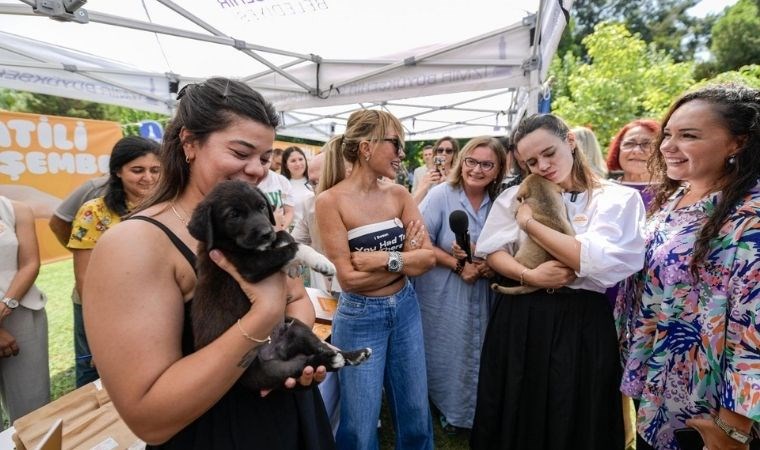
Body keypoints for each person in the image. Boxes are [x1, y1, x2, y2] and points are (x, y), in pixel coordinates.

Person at [82, 78, 334, 449]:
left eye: (264, 158)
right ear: (189, 143)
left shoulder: (246, 221)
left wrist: (286, 359)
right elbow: (149, 417)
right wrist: (264, 316)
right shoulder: (133, 245)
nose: (256, 170)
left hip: (287, 413)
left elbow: (296, 298)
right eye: (240, 152)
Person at [471, 113, 646, 450]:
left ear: (570, 141)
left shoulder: (615, 199)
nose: (543, 166)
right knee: (518, 403)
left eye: (549, 153)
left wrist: (531, 226)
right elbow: (492, 251)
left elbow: (590, 260)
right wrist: (529, 274)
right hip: (521, 314)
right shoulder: (518, 195)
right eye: (531, 161)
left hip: (580, 320)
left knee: (575, 405)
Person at [620, 84, 760, 450]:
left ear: (738, 143)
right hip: (657, 386)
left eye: (689, 135)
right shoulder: (678, 195)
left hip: (709, 411)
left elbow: (754, 331)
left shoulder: (750, 219)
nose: (667, 145)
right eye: (668, 133)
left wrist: (732, 429)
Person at [315, 109, 436, 450]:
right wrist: (406, 260)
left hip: (406, 308)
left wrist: (384, 259)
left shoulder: (398, 194)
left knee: (414, 411)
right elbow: (350, 280)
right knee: (359, 423)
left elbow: (427, 258)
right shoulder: (329, 201)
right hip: (359, 316)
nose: (402, 154)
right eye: (396, 143)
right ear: (367, 148)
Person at [412, 136, 506, 433]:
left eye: (486, 164)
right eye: (471, 161)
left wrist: (490, 265)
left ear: (498, 169)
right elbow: (419, 241)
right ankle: (450, 411)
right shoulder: (441, 195)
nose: (477, 169)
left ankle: (478, 410)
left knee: (480, 349)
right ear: (462, 161)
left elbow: (509, 245)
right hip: (444, 291)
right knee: (448, 349)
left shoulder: (502, 201)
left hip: (485, 290)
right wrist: (457, 265)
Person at [66, 136, 160, 387]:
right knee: (94, 376)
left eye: (155, 170)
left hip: (150, 306)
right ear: (117, 171)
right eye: (137, 170)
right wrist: (100, 337)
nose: (148, 178)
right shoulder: (94, 212)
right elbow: (84, 279)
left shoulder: (168, 208)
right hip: (99, 307)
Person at [0, 196, 49, 428]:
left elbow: (30, 264)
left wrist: (6, 306)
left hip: (21, 312)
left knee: (33, 407)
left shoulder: (16, 209)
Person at [606, 119, 660, 208]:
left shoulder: (679, 194)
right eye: (629, 143)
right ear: (618, 150)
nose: (636, 151)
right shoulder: (600, 193)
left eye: (647, 144)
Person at [412, 136, 460, 204]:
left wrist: (447, 184)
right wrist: (425, 186)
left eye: (448, 151)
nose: (444, 153)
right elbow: (415, 202)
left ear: (454, 153)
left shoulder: (458, 175)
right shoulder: (429, 175)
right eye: (440, 150)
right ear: (436, 152)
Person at [280, 146, 312, 232]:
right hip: (292, 233)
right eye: (293, 161)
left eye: (301, 159)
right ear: (286, 165)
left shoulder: (314, 181)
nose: (298, 164)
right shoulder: (283, 185)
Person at [258, 159, 295, 232]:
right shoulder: (245, 179)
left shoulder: (281, 180)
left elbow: (289, 212)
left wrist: (279, 230)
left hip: (279, 234)